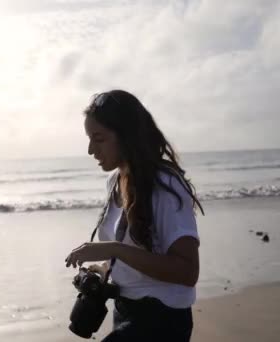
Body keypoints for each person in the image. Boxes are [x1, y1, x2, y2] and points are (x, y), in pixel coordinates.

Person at [65, 89, 204, 341]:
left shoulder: (164, 184)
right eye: (89, 139)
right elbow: (136, 251)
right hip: (124, 309)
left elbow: (187, 271)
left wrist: (114, 249)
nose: (90, 150)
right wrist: (105, 267)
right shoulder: (114, 181)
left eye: (98, 138)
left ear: (126, 136)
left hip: (163, 320)